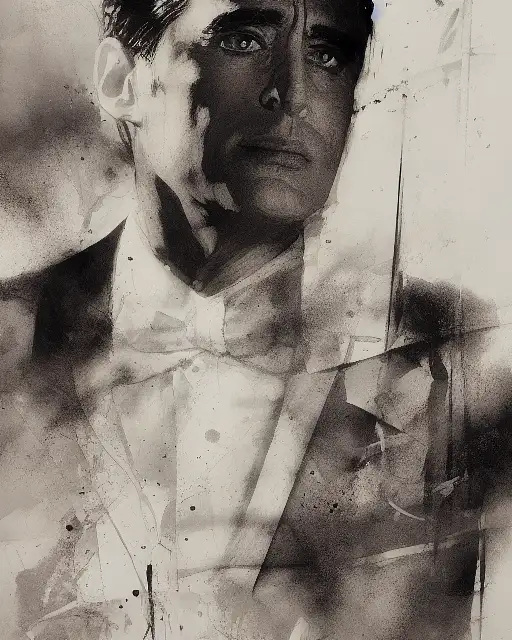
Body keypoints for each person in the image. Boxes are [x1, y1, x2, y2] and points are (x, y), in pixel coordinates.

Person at [1, 0, 500, 638]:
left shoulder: (457, 374)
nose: (293, 94)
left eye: (328, 54)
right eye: (241, 40)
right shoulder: (13, 342)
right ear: (121, 80)